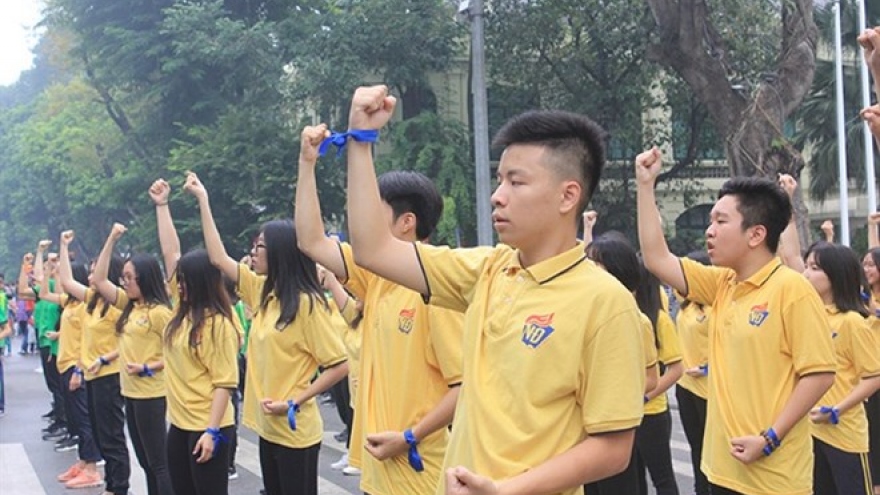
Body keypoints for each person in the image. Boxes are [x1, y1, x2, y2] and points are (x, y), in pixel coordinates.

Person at [343, 85, 645, 495]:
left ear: (567, 195)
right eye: (499, 179)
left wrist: (507, 490)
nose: (497, 196)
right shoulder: (486, 270)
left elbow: (613, 447)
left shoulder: (606, 303)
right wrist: (360, 139)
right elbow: (373, 248)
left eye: (516, 183)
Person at [635, 147, 836, 495]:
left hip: (773, 476)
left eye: (721, 221)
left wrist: (770, 437)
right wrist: (645, 186)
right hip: (722, 468)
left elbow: (819, 375)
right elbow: (656, 258)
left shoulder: (792, 290)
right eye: (711, 221)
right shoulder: (722, 283)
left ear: (756, 234)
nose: (709, 231)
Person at [295, 124, 464, 495]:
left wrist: (409, 436)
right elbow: (311, 241)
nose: (362, 222)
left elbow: (464, 386)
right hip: (379, 470)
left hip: (419, 472)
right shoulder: (376, 278)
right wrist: (307, 164)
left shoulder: (436, 290)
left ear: (407, 223)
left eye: (375, 211)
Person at [185, 172, 348, 495]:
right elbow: (218, 258)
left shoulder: (306, 304)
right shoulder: (263, 292)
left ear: (282, 253)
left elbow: (340, 364)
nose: (254, 252)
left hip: (294, 429)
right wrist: (203, 200)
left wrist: (294, 401)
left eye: (261, 246)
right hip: (268, 428)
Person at [149, 178, 240, 495]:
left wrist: (212, 432)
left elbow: (225, 382)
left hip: (208, 426)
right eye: (179, 281)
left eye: (186, 281)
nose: (179, 285)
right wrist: (162, 205)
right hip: (180, 425)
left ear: (201, 282)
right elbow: (170, 252)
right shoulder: (179, 312)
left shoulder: (218, 325)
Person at [93, 224, 175, 495]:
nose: (124, 282)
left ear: (146, 278)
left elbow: (177, 354)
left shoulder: (160, 313)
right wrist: (111, 238)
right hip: (130, 392)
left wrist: (147, 367)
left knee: (160, 463)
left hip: (152, 393)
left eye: (130, 277)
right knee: (146, 462)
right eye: (124, 277)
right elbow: (99, 279)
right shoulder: (129, 307)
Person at [47, 238, 103, 488]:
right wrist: (55, 261)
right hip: (65, 364)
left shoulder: (84, 305)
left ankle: (91, 467)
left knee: (84, 418)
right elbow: (50, 289)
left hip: (76, 366)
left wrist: (79, 369)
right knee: (75, 418)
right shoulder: (69, 302)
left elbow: (86, 341)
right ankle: (83, 461)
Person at [673, 251, 712, 495]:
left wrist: (709, 368)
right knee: (696, 451)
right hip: (686, 387)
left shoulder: (717, 306)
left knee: (713, 455)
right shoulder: (685, 304)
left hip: (711, 390)